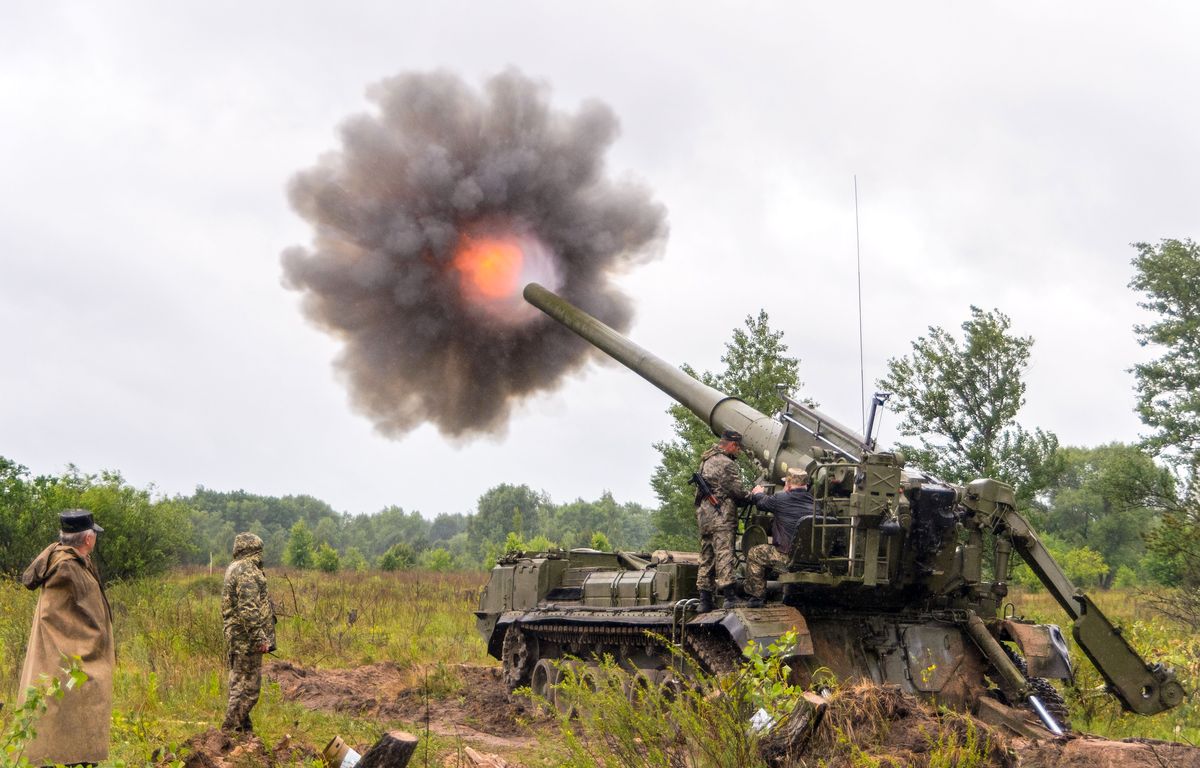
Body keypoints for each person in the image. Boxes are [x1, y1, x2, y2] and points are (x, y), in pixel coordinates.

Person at [18, 509, 115, 767]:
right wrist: (96, 646)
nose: (95, 537)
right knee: (69, 707)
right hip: (66, 658)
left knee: (69, 708)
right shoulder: (67, 567)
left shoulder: (71, 561)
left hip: (66, 658)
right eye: (94, 532)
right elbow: (78, 619)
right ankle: (68, 757)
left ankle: (71, 755)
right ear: (88, 539)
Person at [221, 532, 276, 734]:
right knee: (248, 688)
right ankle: (228, 731)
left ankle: (244, 731)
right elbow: (248, 608)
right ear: (255, 550)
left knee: (238, 682)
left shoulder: (234, 567)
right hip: (246, 639)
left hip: (237, 637)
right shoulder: (247, 570)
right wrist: (260, 637)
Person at [694, 429, 753, 612]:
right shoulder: (727, 464)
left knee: (707, 556)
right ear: (733, 445)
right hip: (722, 517)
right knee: (724, 554)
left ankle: (705, 600)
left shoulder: (706, 460)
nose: (739, 452)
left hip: (705, 518)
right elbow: (739, 493)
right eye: (738, 448)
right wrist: (754, 494)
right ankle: (729, 597)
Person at [743, 468, 816, 607]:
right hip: (813, 560)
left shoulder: (781, 499)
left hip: (788, 559)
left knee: (755, 553)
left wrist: (758, 493)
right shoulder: (816, 504)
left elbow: (761, 503)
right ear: (806, 485)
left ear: (788, 484)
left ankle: (757, 597)